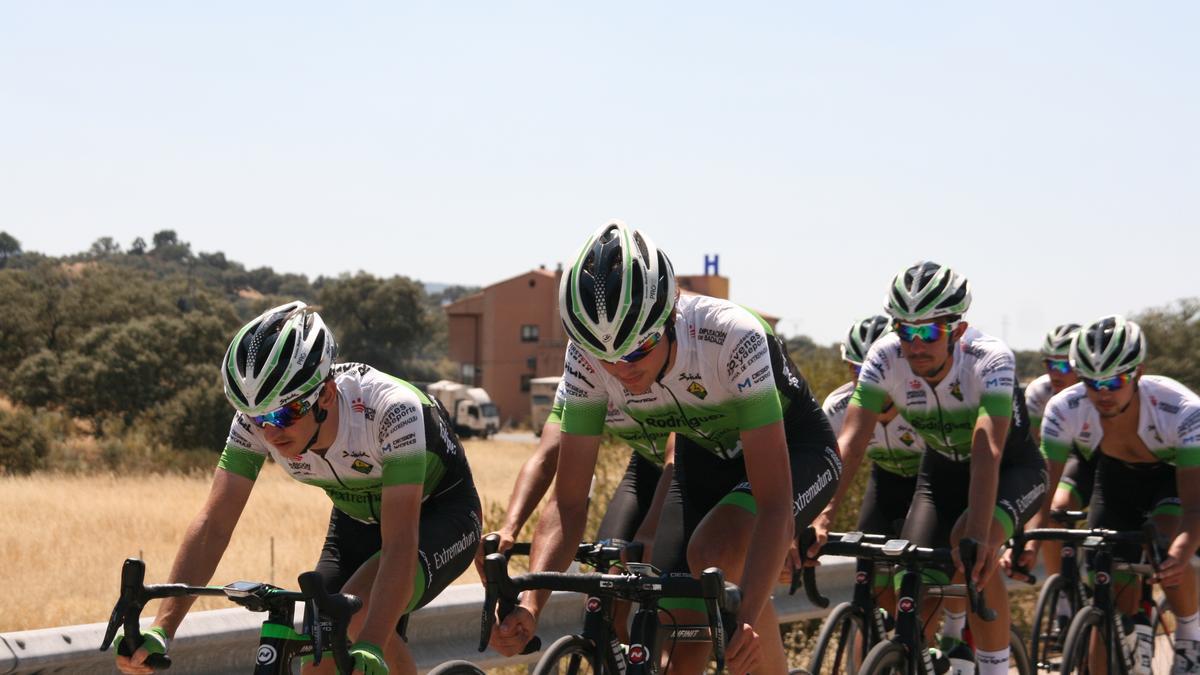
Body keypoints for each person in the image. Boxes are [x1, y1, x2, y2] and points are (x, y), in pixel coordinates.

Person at [489, 220, 841, 674]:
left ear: (670, 316)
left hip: (797, 450)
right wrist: (531, 605)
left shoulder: (730, 337)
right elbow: (569, 500)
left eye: (638, 351)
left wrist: (745, 620)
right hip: (706, 454)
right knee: (676, 613)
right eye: (605, 357)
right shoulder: (585, 359)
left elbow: (774, 505)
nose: (621, 370)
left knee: (718, 556)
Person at [114, 301, 482, 675]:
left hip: (438, 513)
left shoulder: (391, 410)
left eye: (283, 414)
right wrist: (163, 628)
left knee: (359, 621)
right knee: (316, 664)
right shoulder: (255, 423)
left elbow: (401, 542)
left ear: (325, 395)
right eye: (256, 417)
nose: (269, 431)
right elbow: (214, 526)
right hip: (356, 519)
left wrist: (370, 644)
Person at [812, 261, 1046, 675]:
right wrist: (822, 514)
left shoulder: (990, 359)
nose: (915, 344)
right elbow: (851, 441)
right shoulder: (885, 357)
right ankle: (935, 655)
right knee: (912, 576)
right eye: (905, 330)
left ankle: (993, 667)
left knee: (972, 548)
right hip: (939, 471)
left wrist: (978, 532)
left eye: (929, 332)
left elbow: (988, 448)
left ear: (957, 329)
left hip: (1010, 470)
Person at [1031, 315, 1200, 674]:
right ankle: (1126, 632)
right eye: (1093, 382)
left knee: (1166, 546)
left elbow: (1195, 504)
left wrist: (1181, 553)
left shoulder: (1181, 409)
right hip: (1116, 481)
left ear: (1138, 373)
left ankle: (1190, 630)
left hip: (1170, 480)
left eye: (1115, 381)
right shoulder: (1064, 408)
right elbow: (1043, 490)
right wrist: (1027, 542)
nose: (1103, 392)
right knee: (1109, 589)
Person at [821, 315, 927, 608]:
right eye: (856, 368)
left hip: (927, 483)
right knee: (869, 579)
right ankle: (881, 649)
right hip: (885, 481)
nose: (865, 378)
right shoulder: (838, 407)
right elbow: (825, 470)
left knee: (912, 577)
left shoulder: (920, 399)